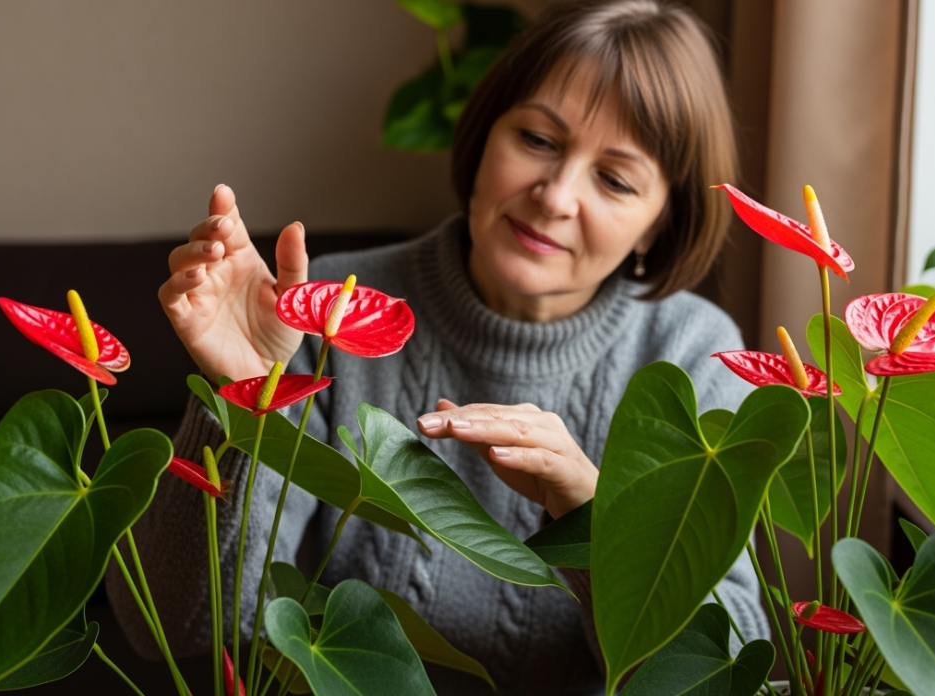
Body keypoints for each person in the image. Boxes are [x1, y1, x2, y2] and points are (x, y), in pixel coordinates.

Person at [111, 1, 766, 693]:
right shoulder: (328, 311)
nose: (556, 196)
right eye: (539, 140)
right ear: (486, 136)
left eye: (614, 179)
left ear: (659, 225)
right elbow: (172, 628)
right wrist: (247, 394)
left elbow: (724, 670)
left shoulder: (694, 353)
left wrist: (592, 515)